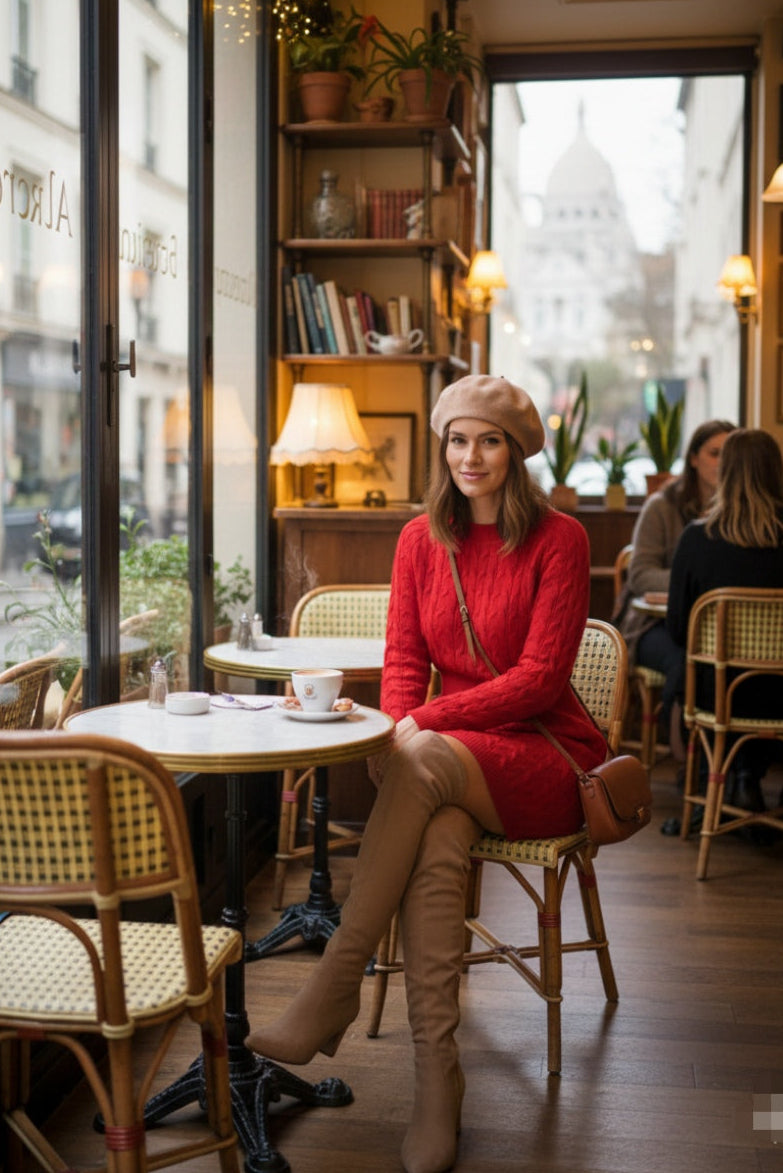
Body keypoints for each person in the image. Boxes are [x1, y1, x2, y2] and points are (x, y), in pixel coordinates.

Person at [246, 374, 607, 1173]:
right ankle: (436, 1082)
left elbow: (543, 678)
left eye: (488, 440)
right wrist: (393, 736)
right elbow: (403, 661)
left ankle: (337, 977)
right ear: (441, 449)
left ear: (515, 452)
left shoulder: (559, 539)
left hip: (545, 754)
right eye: (456, 439)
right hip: (448, 768)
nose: (469, 455)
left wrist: (418, 726)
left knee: (425, 757)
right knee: (439, 837)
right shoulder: (419, 539)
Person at [666, 427, 783, 811]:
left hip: (717, 694)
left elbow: (680, 629)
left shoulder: (697, 539)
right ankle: (749, 776)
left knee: (693, 672)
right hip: (778, 693)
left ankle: (717, 788)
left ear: (727, 472)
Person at [618, 418, 736, 755]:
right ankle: (688, 758)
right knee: (687, 658)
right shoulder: (662, 506)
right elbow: (640, 575)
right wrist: (696, 581)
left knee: (723, 659)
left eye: (730, 454)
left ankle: (727, 764)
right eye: (715, 453)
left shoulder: (740, 510)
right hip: (653, 624)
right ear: (694, 458)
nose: (723, 462)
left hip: (717, 626)